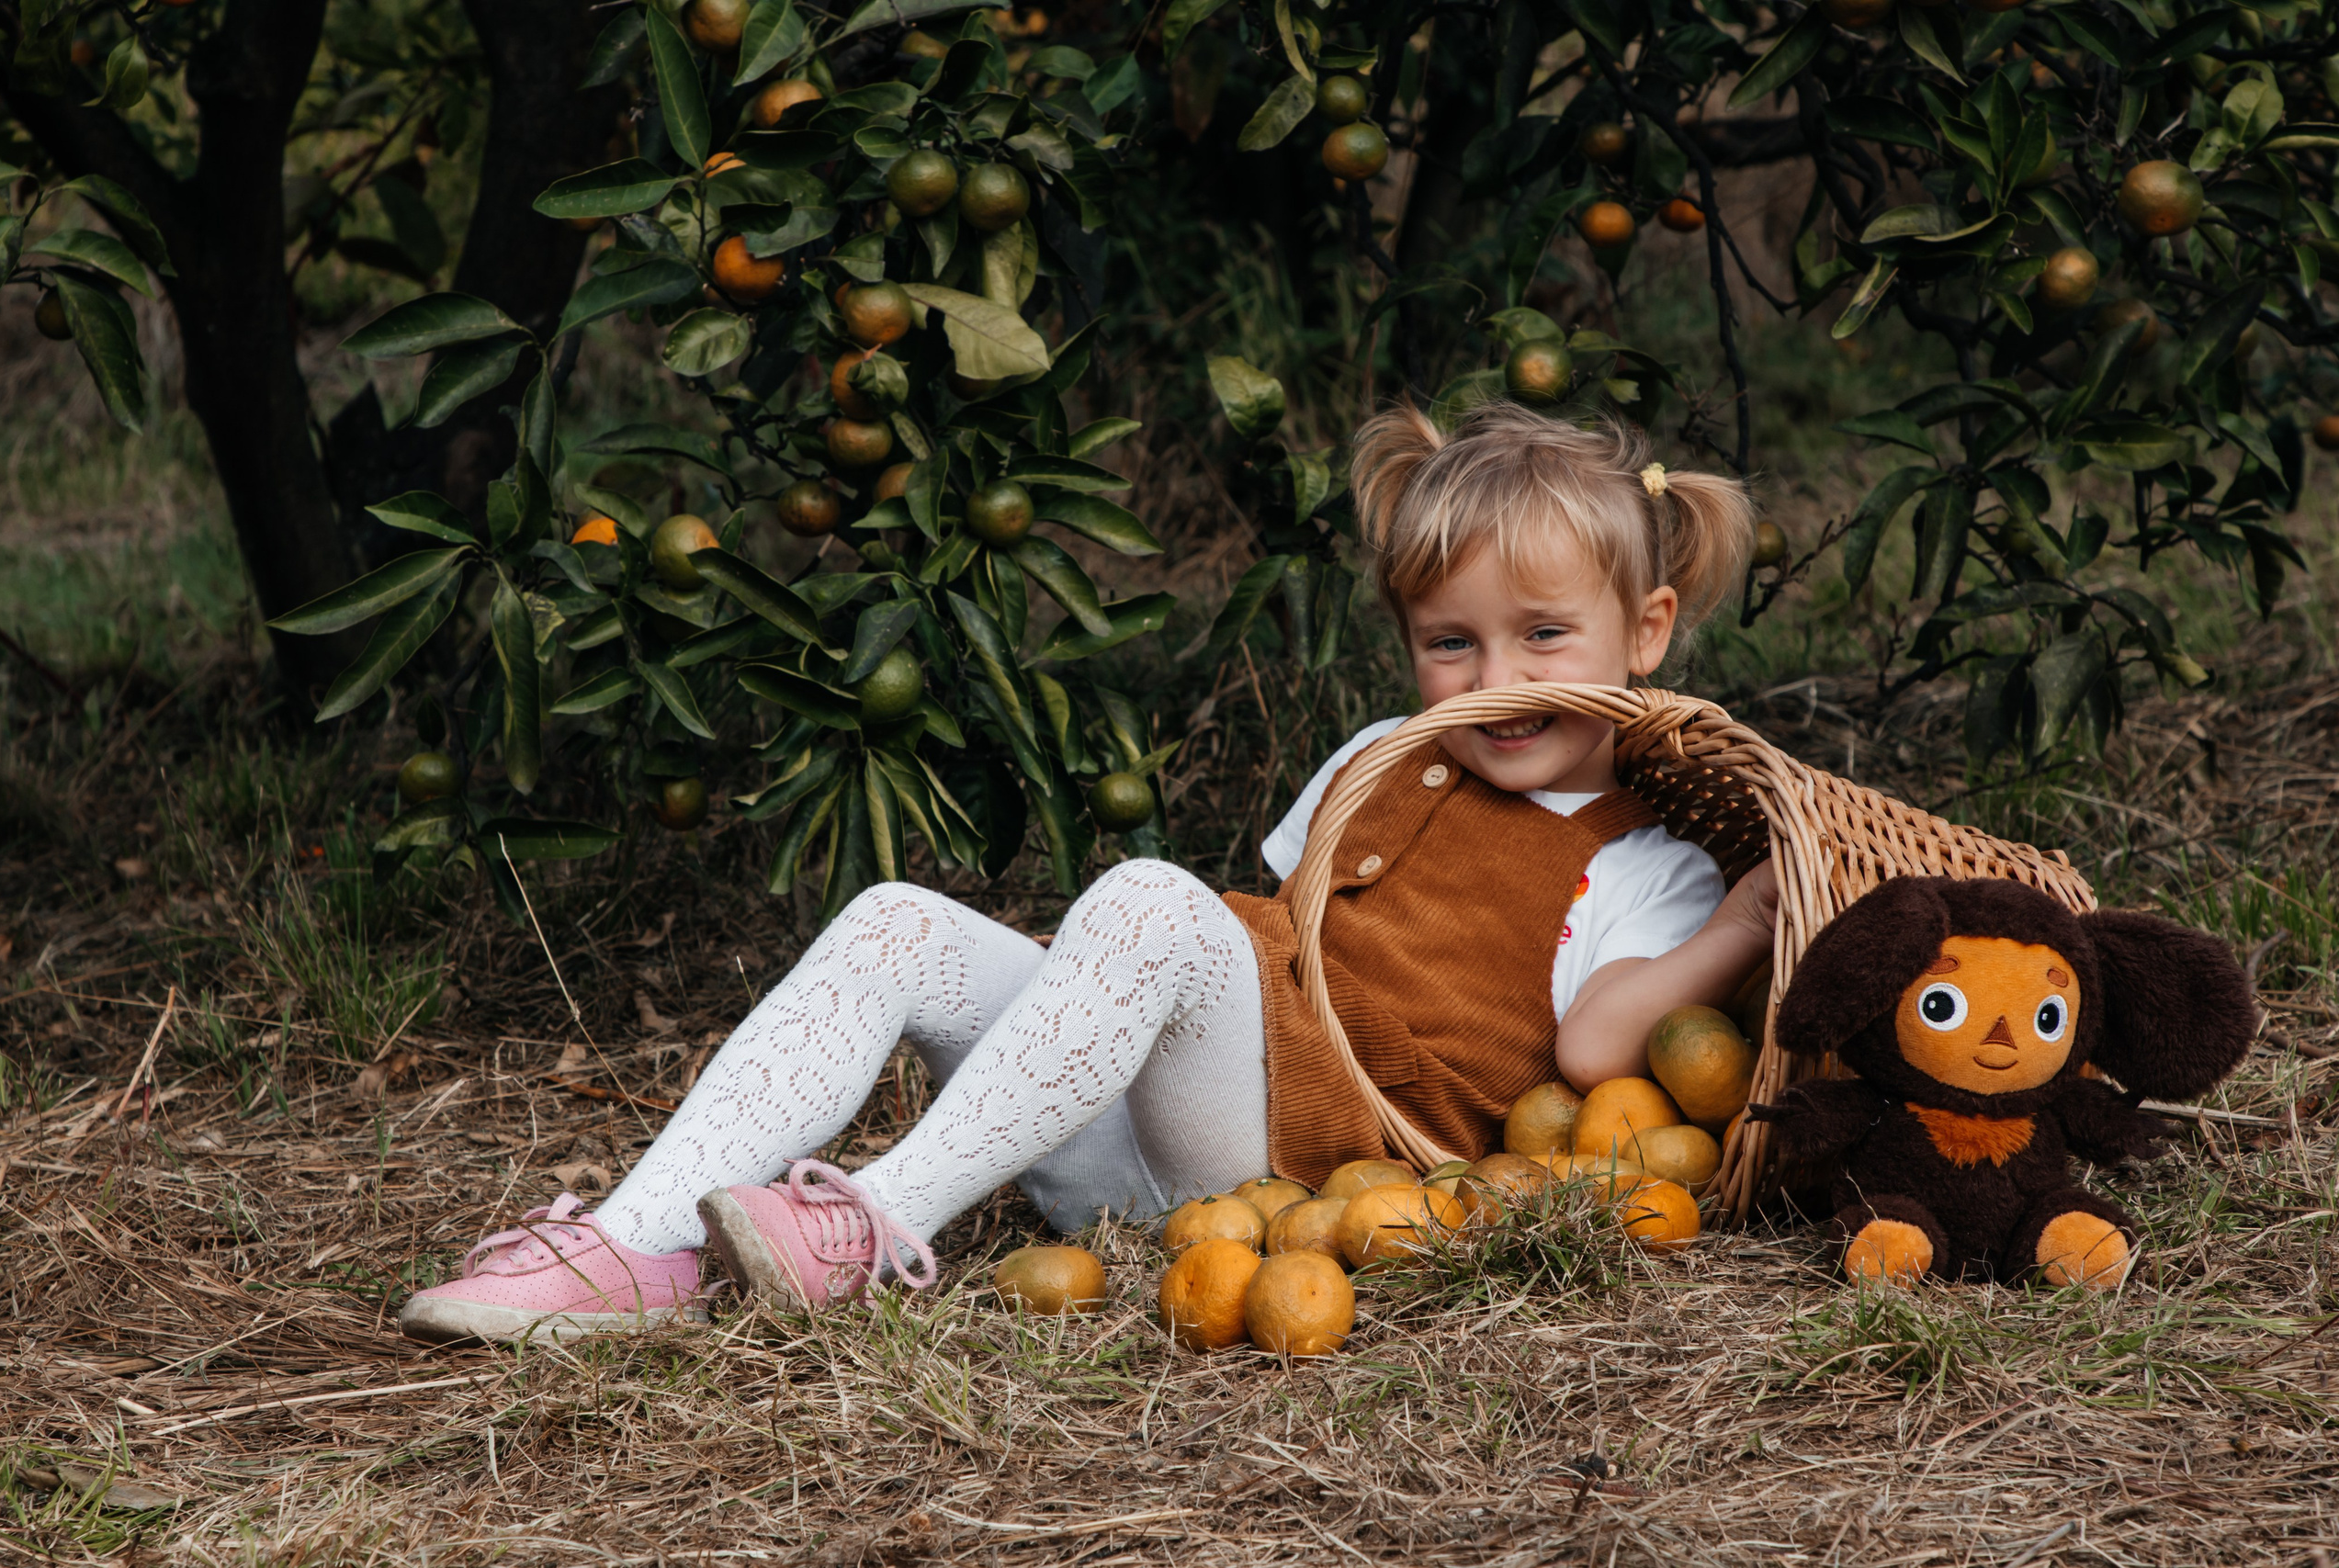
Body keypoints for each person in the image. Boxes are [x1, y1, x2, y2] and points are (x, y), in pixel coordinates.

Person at [397, 400, 1780, 1346]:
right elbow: (1270, 940)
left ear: (1645, 631)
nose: (1494, 683)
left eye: (1546, 638)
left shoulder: (1649, 855)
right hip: (1151, 1151)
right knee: (899, 924)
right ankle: (627, 1250)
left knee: (1154, 903)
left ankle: (872, 1226)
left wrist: (1741, 923)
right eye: (1451, 644)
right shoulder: (1385, 753)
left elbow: (1601, 1042)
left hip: (1311, 1153)